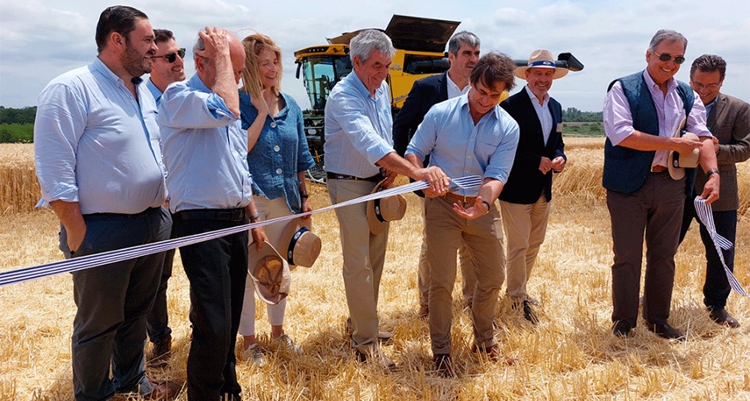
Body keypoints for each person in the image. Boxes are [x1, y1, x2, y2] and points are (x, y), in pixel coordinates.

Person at [33, 6, 177, 400]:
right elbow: (53, 166)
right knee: (98, 324)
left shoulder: (144, 91)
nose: (154, 48)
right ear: (117, 40)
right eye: (147, 40)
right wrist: (78, 231)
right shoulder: (72, 88)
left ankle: (132, 385)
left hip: (152, 223)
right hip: (102, 230)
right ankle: (95, 394)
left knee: (135, 316)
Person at [324, 29, 448, 371]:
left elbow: (385, 133)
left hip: (378, 183)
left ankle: (363, 326)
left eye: (387, 66)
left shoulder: (379, 89)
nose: (383, 73)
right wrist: (414, 170)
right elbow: (368, 142)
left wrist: (391, 170)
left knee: (375, 258)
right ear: (357, 62)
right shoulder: (343, 96)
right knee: (358, 263)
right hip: (348, 185)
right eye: (377, 65)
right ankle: (365, 344)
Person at [158, 27, 266, 400]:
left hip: (234, 220)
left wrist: (252, 216)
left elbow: (237, 165)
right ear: (202, 62)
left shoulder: (225, 99)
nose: (237, 78)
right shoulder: (178, 97)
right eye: (232, 69)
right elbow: (226, 109)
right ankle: (205, 394)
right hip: (201, 223)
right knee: (213, 324)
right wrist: (223, 60)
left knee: (230, 317)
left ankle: (227, 389)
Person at [405, 52, 520, 376]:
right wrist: (424, 175)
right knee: (441, 282)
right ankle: (441, 352)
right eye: (481, 92)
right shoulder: (440, 114)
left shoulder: (508, 127)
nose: (486, 100)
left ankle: (484, 342)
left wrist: (481, 206)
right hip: (442, 205)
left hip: (482, 207)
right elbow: (414, 152)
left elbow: (497, 174)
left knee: (495, 275)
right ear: (471, 82)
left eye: (495, 95)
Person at [603, 29, 720, 340]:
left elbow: (703, 135)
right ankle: (624, 323)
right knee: (627, 256)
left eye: (678, 59)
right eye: (665, 56)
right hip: (628, 186)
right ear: (649, 55)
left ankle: (658, 320)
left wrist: (713, 174)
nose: (671, 64)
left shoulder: (686, 93)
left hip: (671, 184)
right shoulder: (622, 88)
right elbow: (622, 134)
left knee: (664, 255)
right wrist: (674, 143)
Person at [237, 32, 315, 365]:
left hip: (286, 201)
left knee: (279, 269)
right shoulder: (237, 103)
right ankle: (250, 342)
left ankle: (279, 333)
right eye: (263, 63)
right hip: (252, 201)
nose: (271, 69)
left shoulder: (292, 105)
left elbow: (301, 156)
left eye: (274, 62)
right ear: (250, 67)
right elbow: (241, 150)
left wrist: (305, 196)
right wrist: (258, 112)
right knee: (249, 274)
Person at [392, 31, 481, 318]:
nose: (473, 59)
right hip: (436, 183)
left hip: (473, 180)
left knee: (472, 244)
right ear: (451, 56)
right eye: (467, 54)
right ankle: (428, 303)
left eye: (477, 54)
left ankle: (471, 300)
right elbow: (402, 126)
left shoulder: (482, 89)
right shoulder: (426, 88)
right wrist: (413, 172)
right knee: (433, 244)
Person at [679, 54, 750, 328]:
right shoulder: (676, 102)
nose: (703, 91)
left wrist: (716, 150)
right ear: (690, 79)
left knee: (722, 251)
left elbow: (746, 149)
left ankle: (716, 306)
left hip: (720, 192)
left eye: (711, 85)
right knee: (664, 246)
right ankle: (652, 295)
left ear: (722, 81)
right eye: (697, 84)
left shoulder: (740, 109)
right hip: (677, 187)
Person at [499, 49, 568, 324]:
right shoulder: (509, 107)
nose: (543, 79)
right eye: (538, 73)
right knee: (518, 245)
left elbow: (557, 142)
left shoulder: (556, 107)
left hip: (544, 187)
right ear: (527, 75)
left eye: (548, 74)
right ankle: (516, 300)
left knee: (534, 243)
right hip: (516, 188)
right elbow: (503, 148)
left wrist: (560, 156)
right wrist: (534, 160)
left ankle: (519, 290)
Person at [144, 27, 187, 367]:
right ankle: (160, 340)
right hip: (160, 207)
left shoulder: (187, 96)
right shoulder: (138, 100)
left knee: (200, 272)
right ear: (151, 62)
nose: (179, 61)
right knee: (155, 279)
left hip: (193, 202)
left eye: (181, 52)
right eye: (170, 56)